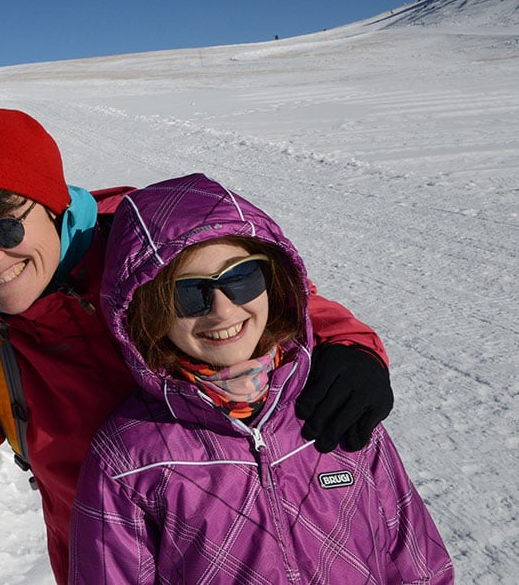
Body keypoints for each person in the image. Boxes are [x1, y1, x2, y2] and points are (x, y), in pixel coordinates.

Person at [0, 105, 395, 584]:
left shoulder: (152, 244)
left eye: (3, 229)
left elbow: (270, 295)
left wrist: (351, 348)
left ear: (50, 203)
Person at [68, 173, 452, 583]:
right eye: (188, 293)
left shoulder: (336, 404)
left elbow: (416, 563)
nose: (222, 310)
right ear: (148, 311)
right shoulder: (131, 456)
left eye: (241, 278)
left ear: (273, 282)